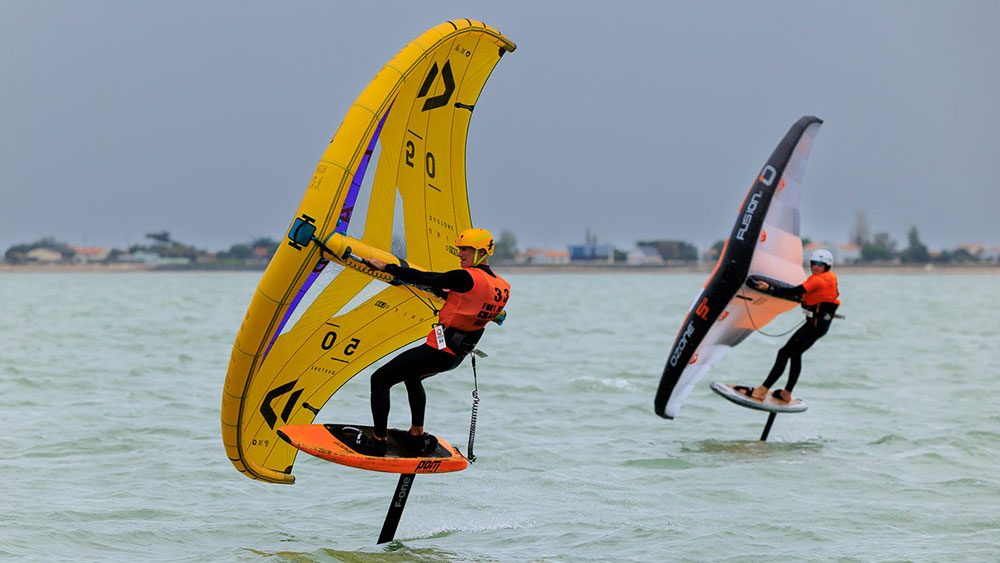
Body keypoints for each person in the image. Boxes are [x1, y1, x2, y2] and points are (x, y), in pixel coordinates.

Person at [352, 228, 510, 457]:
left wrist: (389, 268)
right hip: (455, 356)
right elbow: (466, 301)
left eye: (465, 249)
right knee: (412, 378)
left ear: (482, 252)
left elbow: (428, 277)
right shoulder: (502, 287)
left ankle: (378, 441)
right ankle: (417, 435)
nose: (460, 254)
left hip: (439, 350)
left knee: (380, 379)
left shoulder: (465, 277)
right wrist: (442, 292)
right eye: (459, 249)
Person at [743, 249, 840, 404]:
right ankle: (787, 393)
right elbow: (821, 296)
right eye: (813, 263)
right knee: (795, 354)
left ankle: (762, 390)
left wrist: (768, 288)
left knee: (783, 353)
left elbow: (795, 291)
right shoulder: (831, 277)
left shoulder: (817, 280)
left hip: (813, 326)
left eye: (820, 264)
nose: (815, 266)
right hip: (821, 326)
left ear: (827, 265)